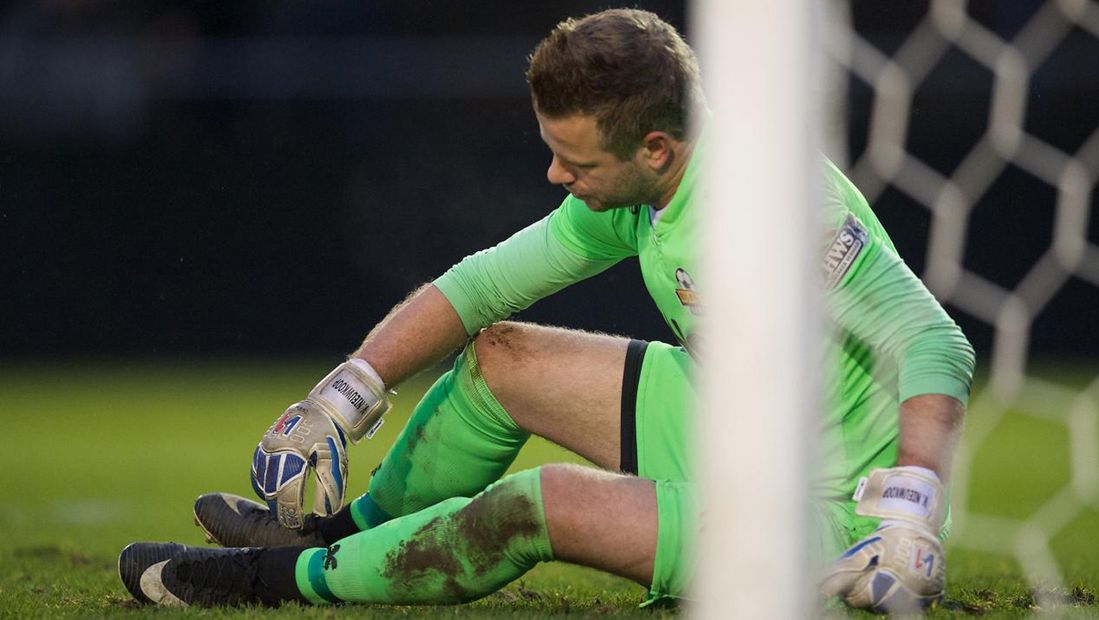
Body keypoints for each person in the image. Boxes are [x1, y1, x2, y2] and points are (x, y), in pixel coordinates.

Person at [118, 8, 975, 612]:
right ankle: (332, 540)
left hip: (822, 503)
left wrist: (905, 513)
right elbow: (483, 285)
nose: (557, 178)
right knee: (501, 358)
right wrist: (344, 397)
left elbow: (934, 340)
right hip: (740, 419)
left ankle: (267, 586)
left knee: (539, 505)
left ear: (654, 146)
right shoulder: (652, 187)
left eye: (574, 161)